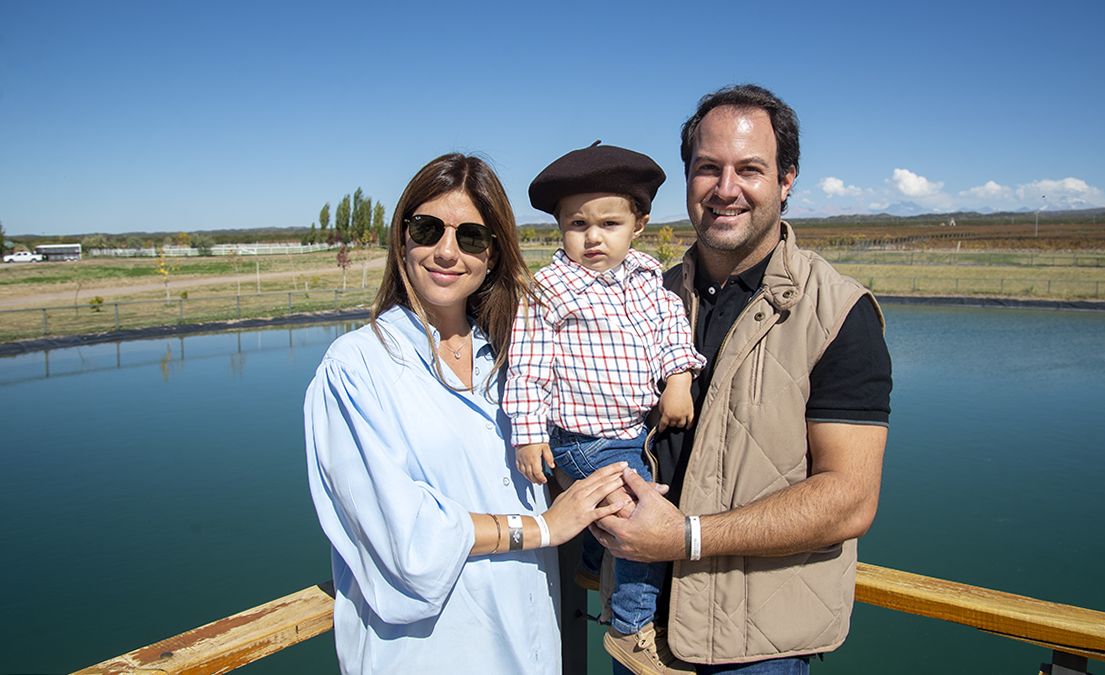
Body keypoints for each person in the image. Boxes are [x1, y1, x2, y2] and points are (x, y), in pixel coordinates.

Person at [592, 84, 893, 674]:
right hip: (637, 629)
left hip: (755, 651)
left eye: (750, 169)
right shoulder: (643, 298)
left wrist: (686, 538)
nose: (725, 189)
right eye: (708, 167)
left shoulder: (838, 313)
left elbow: (849, 500)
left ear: (786, 181)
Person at [304, 153, 632, 674]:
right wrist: (543, 528)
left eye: (472, 237)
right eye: (427, 229)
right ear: (402, 238)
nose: (446, 251)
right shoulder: (357, 368)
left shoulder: (512, 357)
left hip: (530, 651)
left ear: (493, 254)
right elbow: (404, 538)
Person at [504, 142, 706, 674]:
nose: (593, 237)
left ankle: (593, 565)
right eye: (578, 224)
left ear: (638, 224)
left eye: (609, 223)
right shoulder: (549, 290)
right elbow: (527, 367)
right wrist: (529, 433)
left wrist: (679, 380)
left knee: (623, 510)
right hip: (583, 439)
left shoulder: (649, 281)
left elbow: (672, 334)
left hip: (632, 431)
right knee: (641, 518)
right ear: (560, 228)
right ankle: (632, 628)